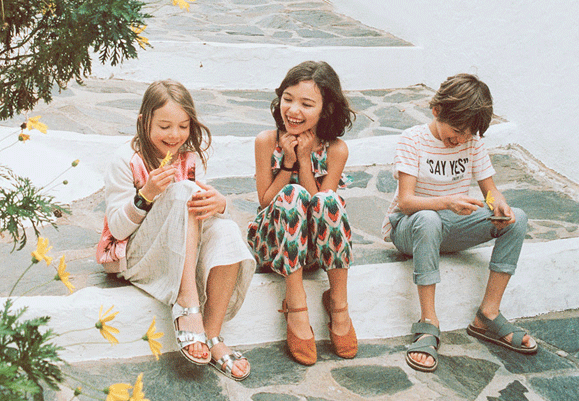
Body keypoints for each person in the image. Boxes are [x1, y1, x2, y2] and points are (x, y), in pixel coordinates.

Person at [97, 80, 255, 381]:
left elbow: (199, 216)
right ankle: (186, 302)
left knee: (225, 228)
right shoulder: (125, 159)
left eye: (183, 126)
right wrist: (145, 195)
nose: (174, 135)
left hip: (177, 250)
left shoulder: (190, 157)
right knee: (184, 190)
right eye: (164, 126)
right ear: (144, 121)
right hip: (135, 255)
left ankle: (211, 334)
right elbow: (117, 229)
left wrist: (220, 204)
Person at [381, 73, 537, 373]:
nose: (461, 140)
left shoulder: (471, 143)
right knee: (428, 219)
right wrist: (447, 202)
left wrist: (498, 204)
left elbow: (489, 191)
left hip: (451, 225)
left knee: (517, 219)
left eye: (469, 134)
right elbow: (406, 202)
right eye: (456, 131)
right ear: (436, 110)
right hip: (410, 227)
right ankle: (428, 323)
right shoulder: (413, 139)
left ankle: (487, 315)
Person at [247, 61, 358, 366]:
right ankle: (296, 305)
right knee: (292, 194)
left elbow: (319, 203)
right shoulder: (266, 141)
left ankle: (338, 304)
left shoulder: (336, 150)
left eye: (307, 104)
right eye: (288, 99)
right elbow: (266, 202)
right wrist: (288, 162)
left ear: (326, 109)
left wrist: (305, 160)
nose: (294, 110)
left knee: (328, 200)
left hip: (314, 249)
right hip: (274, 243)